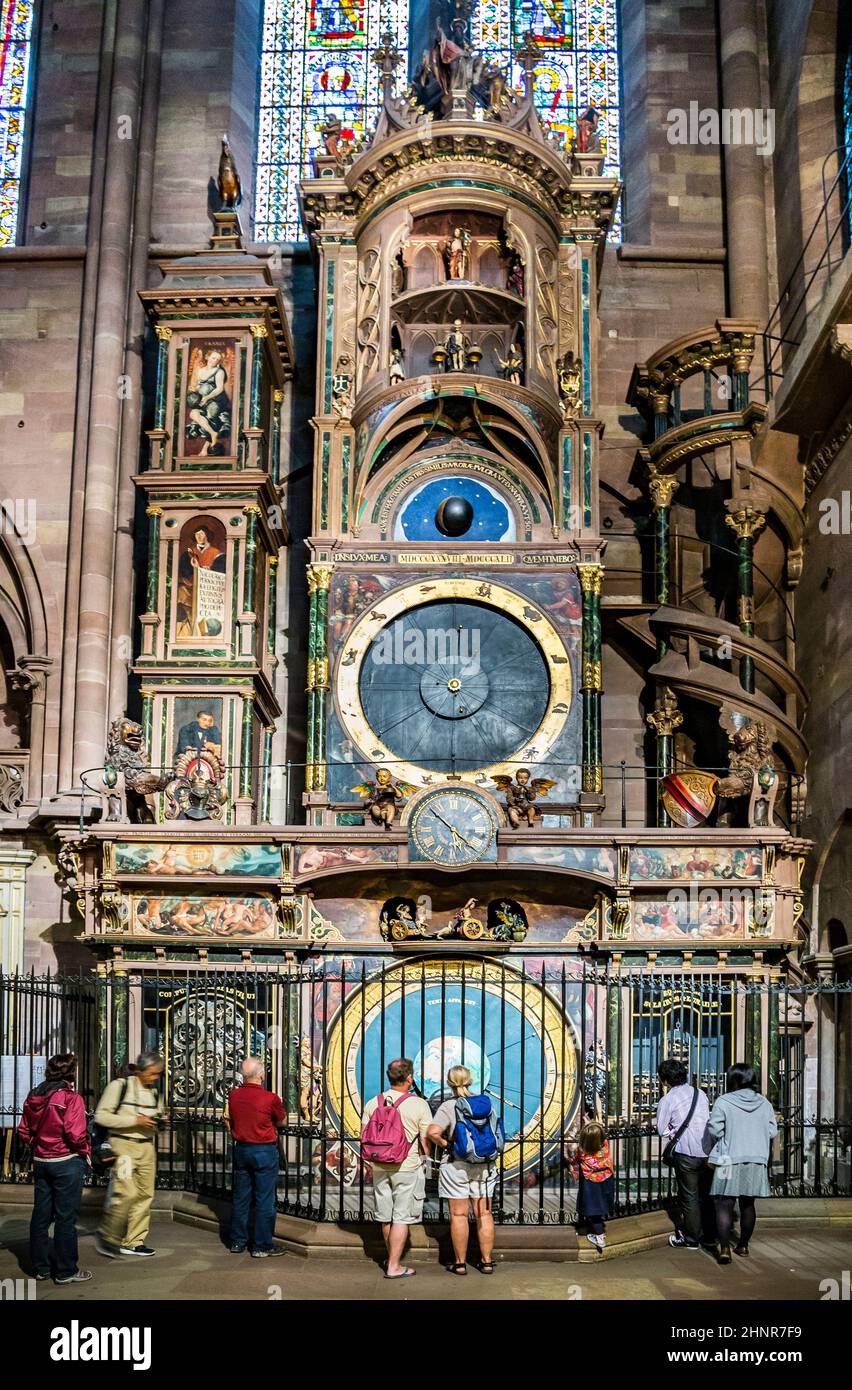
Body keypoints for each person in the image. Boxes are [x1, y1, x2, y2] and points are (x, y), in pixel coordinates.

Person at [17, 1052, 92, 1284]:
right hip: (66, 1161)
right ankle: (65, 1270)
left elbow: (23, 1129)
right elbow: (75, 1133)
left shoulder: (33, 1095)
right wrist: (85, 1150)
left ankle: (41, 1268)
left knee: (40, 1216)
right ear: (71, 1072)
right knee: (65, 1218)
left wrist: (38, 1145)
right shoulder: (71, 1097)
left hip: (41, 1161)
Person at [361, 1058, 432, 1279]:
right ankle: (394, 1266)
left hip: (379, 1165)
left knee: (386, 1216)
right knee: (401, 1216)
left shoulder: (374, 1102)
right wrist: (425, 1156)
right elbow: (426, 1138)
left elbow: (364, 1136)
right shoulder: (418, 1104)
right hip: (406, 1166)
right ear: (409, 1078)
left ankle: (391, 1258)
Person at [427, 1065, 498, 1275]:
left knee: (459, 1215)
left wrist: (446, 1145)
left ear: (449, 1083)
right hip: (484, 1165)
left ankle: (460, 1263)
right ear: (471, 1080)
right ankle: (486, 1261)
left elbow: (432, 1132)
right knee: (484, 1213)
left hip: (456, 1164)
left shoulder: (449, 1106)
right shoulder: (485, 1103)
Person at [94, 1050, 165, 1259]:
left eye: (158, 1074)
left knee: (145, 1195)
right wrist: (135, 1121)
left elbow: (156, 1119)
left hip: (146, 1147)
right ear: (140, 1070)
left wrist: (159, 1123)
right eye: (152, 1074)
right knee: (127, 1191)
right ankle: (108, 1235)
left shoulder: (154, 1093)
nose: (155, 1078)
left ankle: (134, 1241)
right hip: (123, 1145)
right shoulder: (120, 1087)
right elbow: (102, 1117)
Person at [706, 1062, 778, 1264]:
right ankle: (743, 1246)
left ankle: (724, 1249)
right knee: (748, 1204)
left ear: (733, 1079)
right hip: (756, 1159)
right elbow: (772, 1131)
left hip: (728, 1159)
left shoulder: (724, 1101)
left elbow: (714, 1130)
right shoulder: (764, 1103)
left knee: (723, 1204)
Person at [224, 1056, 286, 1258]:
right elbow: (282, 1122)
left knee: (241, 1198)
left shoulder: (233, 1096)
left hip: (241, 1149)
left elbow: (230, 1120)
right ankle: (261, 1245)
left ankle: (237, 1241)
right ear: (260, 1074)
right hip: (264, 1151)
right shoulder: (270, 1098)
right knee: (264, 1200)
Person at [656, 1057, 715, 1250]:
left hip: (686, 1152)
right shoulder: (701, 1093)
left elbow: (661, 1129)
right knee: (706, 1195)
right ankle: (710, 1235)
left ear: (665, 1080)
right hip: (707, 1151)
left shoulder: (668, 1099)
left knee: (689, 1196)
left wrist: (674, 1129)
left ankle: (691, 1238)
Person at [567, 1119, 614, 1251]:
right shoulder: (605, 1146)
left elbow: (574, 1159)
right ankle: (599, 1228)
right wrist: (591, 1124)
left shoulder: (582, 1153)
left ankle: (599, 1237)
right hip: (606, 1179)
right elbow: (598, 1133)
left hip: (591, 1183)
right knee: (601, 1205)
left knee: (593, 1211)